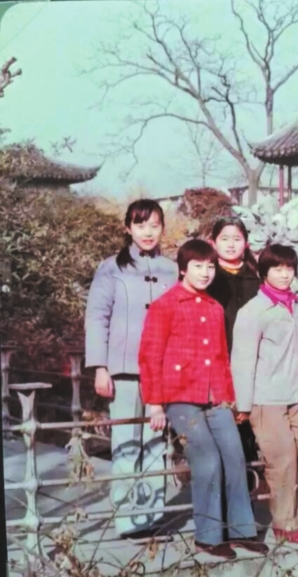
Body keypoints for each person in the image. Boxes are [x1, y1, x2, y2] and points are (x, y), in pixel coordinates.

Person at [139, 239, 268, 560]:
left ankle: (241, 531)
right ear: (183, 269)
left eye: (210, 266)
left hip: (216, 397)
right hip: (179, 396)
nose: (205, 272)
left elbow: (221, 359)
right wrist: (154, 403)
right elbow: (150, 356)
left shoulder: (213, 307)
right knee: (207, 459)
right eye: (198, 266)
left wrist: (230, 400)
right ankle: (208, 537)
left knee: (234, 455)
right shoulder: (165, 305)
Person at [85, 199, 178, 538]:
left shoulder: (172, 269)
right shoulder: (110, 267)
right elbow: (97, 316)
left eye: (154, 225)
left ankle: (152, 516)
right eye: (140, 225)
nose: (147, 232)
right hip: (123, 369)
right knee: (126, 442)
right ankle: (128, 519)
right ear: (128, 228)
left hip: (163, 369)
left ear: (163, 227)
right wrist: (100, 367)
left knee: (156, 442)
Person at [231, 244, 298, 545]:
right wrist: (244, 405)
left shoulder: (295, 305)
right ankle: (284, 524)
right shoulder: (253, 311)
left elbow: (297, 346)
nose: (284, 274)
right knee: (283, 460)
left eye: (289, 268)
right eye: (277, 268)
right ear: (264, 272)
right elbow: (242, 361)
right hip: (267, 398)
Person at [207, 217, 260, 480]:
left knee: (248, 432)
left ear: (246, 243)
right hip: (219, 363)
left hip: (252, 365)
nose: (230, 245)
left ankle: (248, 493)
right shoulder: (208, 277)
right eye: (224, 239)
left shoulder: (257, 279)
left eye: (236, 239)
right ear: (213, 243)